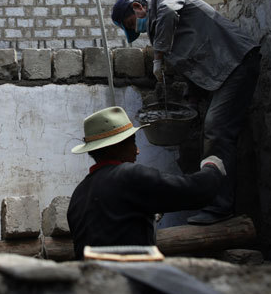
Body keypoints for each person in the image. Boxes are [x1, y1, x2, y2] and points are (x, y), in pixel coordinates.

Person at [110, 0, 260, 225]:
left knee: (217, 130)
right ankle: (217, 203)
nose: (136, 28)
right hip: (222, 73)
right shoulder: (162, 30)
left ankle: (220, 209)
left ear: (138, 8)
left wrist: (158, 58)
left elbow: (170, 13)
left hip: (235, 61)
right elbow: (192, 63)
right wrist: (191, 99)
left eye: (131, 22)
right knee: (210, 133)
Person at [67, 106, 226, 259]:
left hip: (89, 283)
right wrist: (212, 168)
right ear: (116, 146)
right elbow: (196, 191)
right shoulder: (128, 176)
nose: (137, 150)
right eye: (133, 143)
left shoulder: (78, 195)